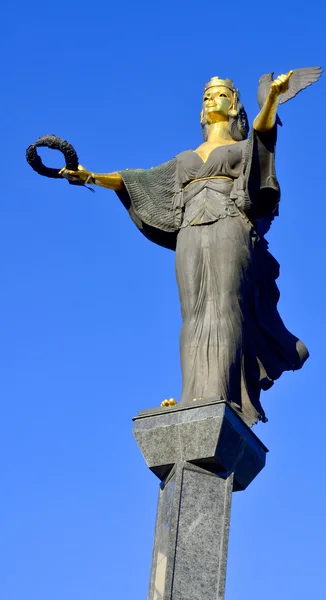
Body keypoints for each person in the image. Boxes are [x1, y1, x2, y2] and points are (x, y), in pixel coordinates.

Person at [60, 73, 309, 427]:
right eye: (207, 95)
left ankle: (222, 395)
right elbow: (138, 179)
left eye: (220, 94)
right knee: (192, 314)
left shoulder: (242, 148)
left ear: (233, 104)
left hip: (229, 224)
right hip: (190, 229)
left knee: (224, 308)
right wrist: (90, 176)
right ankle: (193, 396)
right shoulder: (185, 159)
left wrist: (270, 98)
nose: (211, 99)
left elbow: (264, 135)